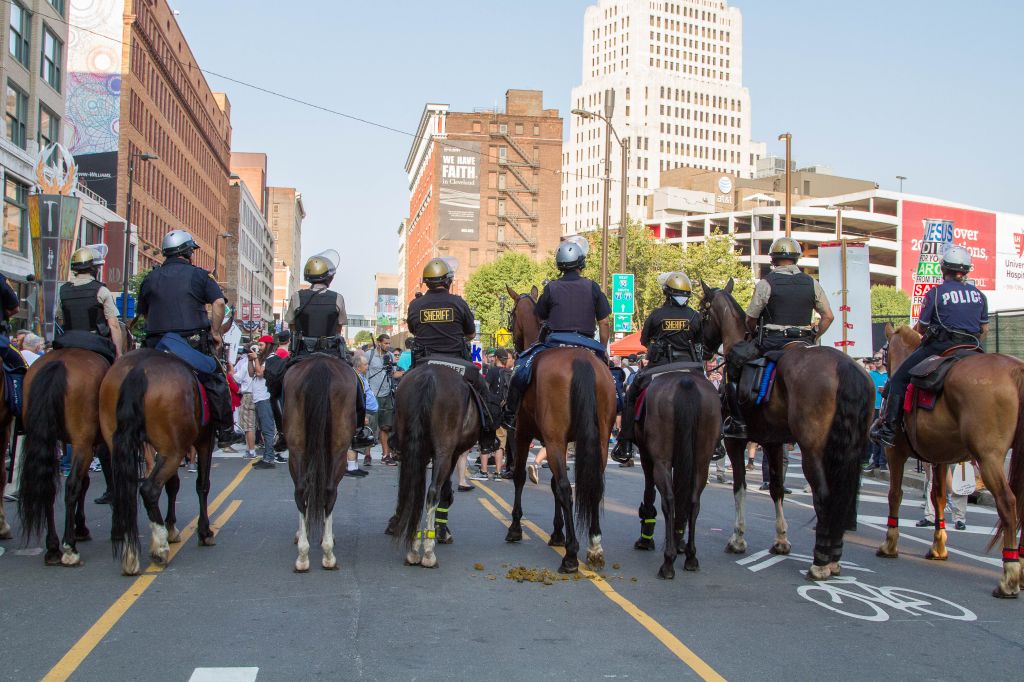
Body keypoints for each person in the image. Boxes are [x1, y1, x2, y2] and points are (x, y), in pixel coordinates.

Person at [871, 245, 987, 448]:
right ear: (966, 270)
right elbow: (984, 329)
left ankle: (888, 431)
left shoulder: (935, 293)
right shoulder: (979, 295)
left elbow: (922, 329)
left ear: (944, 270)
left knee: (898, 379)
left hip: (942, 346)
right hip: (973, 347)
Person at [722, 237, 834, 438]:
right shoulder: (812, 283)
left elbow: (750, 319)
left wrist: (753, 330)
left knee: (734, 362)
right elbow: (828, 316)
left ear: (773, 259)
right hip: (804, 340)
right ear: (796, 258)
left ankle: (738, 422)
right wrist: (815, 335)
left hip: (773, 342)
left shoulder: (766, 283)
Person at [501, 237, 611, 430]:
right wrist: (602, 349)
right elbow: (604, 322)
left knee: (520, 370)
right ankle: (618, 420)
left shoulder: (551, 287)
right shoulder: (593, 287)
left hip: (555, 342)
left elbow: (540, 317)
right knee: (614, 383)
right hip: (587, 343)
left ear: (560, 265)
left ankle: (510, 413)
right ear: (581, 264)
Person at [136, 229, 232, 429]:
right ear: (188, 252)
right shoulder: (200, 275)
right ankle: (225, 431)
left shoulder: (149, 278)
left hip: (155, 346)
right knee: (217, 380)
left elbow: (143, 313)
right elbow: (219, 303)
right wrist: (215, 333)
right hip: (191, 345)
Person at [406, 258, 499, 455]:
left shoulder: (415, 305)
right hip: (456, 362)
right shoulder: (458, 302)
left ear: (427, 282)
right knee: (483, 393)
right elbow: (472, 334)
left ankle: (398, 437)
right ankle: (488, 436)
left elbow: (414, 330)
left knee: (402, 391)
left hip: (423, 362)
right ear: (448, 281)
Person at [284, 251, 374, 450]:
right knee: (358, 384)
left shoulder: (297, 297)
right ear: (329, 278)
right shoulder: (337, 298)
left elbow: (291, 325)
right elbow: (339, 327)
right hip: (332, 353)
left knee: (276, 385)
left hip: (302, 355)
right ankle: (359, 430)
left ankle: (282, 432)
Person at [612, 271, 702, 464]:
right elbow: (700, 341)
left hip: (660, 366)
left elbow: (645, 341)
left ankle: (626, 441)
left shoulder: (657, 315)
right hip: (691, 366)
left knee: (630, 395)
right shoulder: (696, 317)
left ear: (666, 293)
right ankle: (717, 439)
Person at [54, 244, 123, 359]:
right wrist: (119, 353)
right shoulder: (101, 290)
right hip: (95, 341)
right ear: (94, 268)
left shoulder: (63, 290)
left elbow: (61, 320)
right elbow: (114, 325)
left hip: (68, 341)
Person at [476, 348, 514, 481]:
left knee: (486, 440)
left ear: (497, 358)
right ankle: (498, 473)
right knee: (500, 443)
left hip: (491, 410)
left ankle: (483, 471)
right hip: (504, 412)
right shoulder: (510, 372)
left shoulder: (492, 371)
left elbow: (485, 389)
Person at [248, 337, 281, 470]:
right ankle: (266, 457)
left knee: (267, 430)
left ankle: (269, 458)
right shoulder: (262, 358)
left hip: (265, 398)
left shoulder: (272, 358)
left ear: (268, 345)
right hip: (258, 398)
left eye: (261, 345)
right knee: (262, 429)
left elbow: (260, 373)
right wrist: (251, 360)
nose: (259, 347)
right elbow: (251, 373)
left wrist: (256, 358)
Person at [365, 334, 399, 465]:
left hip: (386, 396)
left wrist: (407, 373)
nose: (388, 345)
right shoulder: (370, 355)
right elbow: (361, 370)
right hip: (372, 397)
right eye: (385, 343)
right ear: (379, 343)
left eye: (389, 343)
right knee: (370, 428)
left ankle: (386, 455)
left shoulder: (390, 356)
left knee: (386, 427)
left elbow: (394, 374)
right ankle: (367, 455)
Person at [345, 352, 374, 478]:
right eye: (365, 364)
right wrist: (363, 416)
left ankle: (355, 466)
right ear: (358, 366)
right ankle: (351, 467)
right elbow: (357, 399)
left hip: (362, 413)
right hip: (358, 414)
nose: (367, 366)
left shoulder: (358, 376)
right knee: (354, 440)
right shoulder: (354, 377)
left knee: (358, 441)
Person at [863, 357, 888, 471]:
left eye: (879, 358)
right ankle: (875, 461)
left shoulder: (889, 374)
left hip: (885, 408)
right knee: (873, 434)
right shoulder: (871, 374)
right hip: (873, 407)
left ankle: (883, 462)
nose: (876, 361)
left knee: (883, 434)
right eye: (874, 359)